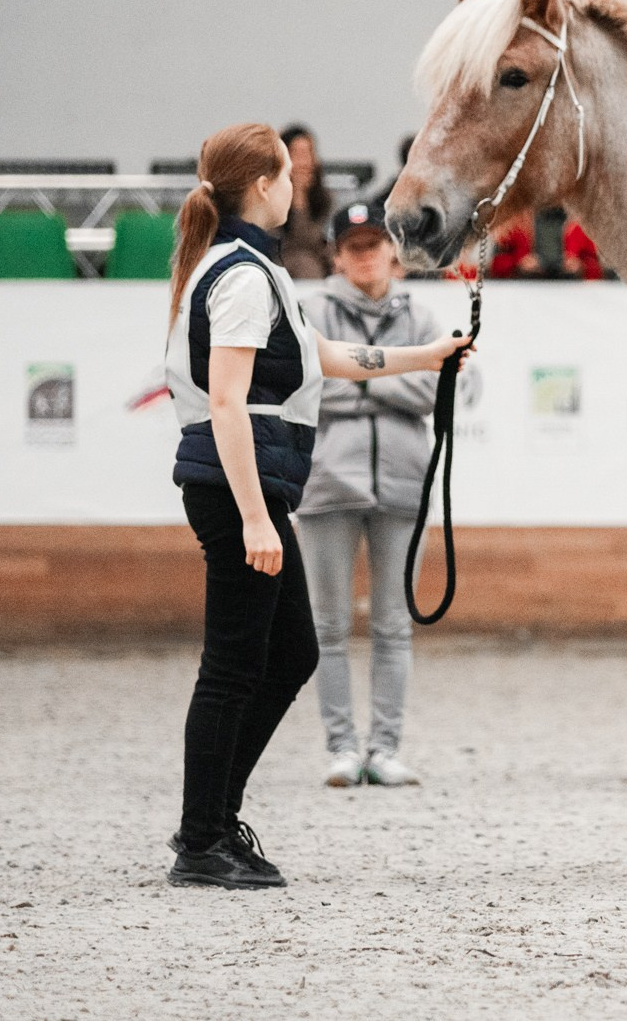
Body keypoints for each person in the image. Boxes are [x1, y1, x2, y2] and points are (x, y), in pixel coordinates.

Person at [162, 123, 469, 890]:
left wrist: (423, 356)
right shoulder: (239, 275)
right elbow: (228, 402)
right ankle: (202, 837)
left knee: (290, 650)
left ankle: (213, 822)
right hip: (244, 487)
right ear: (268, 183)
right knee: (234, 664)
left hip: (258, 484)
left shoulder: (256, 270)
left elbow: (322, 357)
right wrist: (256, 516)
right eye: (284, 174)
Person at [298, 199, 441, 790]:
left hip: (404, 485)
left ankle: (384, 749)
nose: (365, 255)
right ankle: (341, 748)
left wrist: (357, 376)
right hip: (327, 486)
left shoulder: (424, 317)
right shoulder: (311, 311)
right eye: (353, 246)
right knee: (327, 627)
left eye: (374, 243)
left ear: (391, 250)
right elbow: (305, 386)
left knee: (393, 626)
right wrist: (393, 379)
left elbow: (441, 388)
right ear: (336, 254)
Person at [277, 124, 333, 280]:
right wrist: (297, 195)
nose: (305, 162)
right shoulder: (270, 198)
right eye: (298, 154)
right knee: (303, 262)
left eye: (309, 153)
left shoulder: (324, 198)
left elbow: (316, 243)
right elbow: (294, 244)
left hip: (318, 263)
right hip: (282, 263)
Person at [487, 206, 603, 280]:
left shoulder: (580, 227)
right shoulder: (516, 225)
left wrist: (580, 266)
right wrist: (518, 263)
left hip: (568, 290)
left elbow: (597, 267)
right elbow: (496, 265)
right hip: (526, 289)